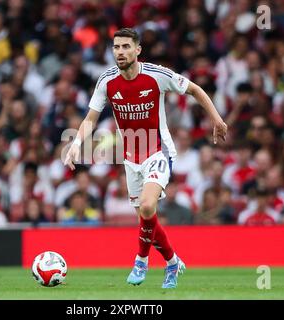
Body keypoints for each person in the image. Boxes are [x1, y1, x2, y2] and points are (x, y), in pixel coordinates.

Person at [64, 28, 228, 289]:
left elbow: (195, 90)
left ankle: (141, 260)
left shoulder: (157, 75)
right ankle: (172, 262)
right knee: (147, 218)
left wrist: (217, 119)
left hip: (158, 152)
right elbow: (90, 119)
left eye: (126, 47)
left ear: (137, 50)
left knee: (148, 206)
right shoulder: (106, 81)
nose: (120, 52)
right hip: (131, 159)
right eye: (116, 47)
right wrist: (75, 145)